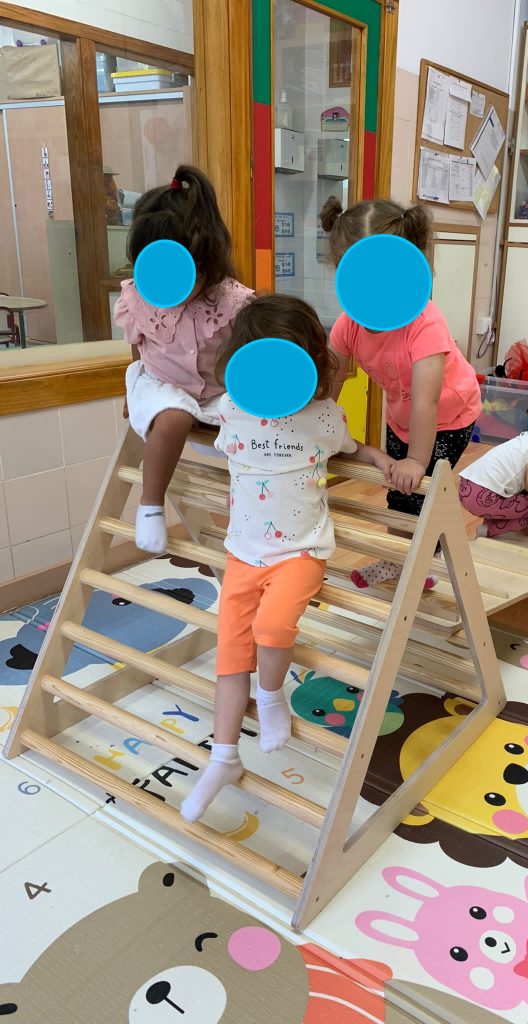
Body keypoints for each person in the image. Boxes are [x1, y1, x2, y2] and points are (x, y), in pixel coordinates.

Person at [180, 293, 394, 823]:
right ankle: (223, 757)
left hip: (300, 552)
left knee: (273, 628)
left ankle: (272, 695)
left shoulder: (323, 416)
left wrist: (384, 459)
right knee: (231, 655)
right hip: (243, 554)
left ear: (311, 365)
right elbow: (190, 409)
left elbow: (353, 448)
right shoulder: (232, 408)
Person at [321, 196, 481, 589]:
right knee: (398, 491)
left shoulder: (424, 323)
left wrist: (415, 459)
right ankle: (400, 559)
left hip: (449, 417)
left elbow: (426, 403)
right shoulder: (350, 323)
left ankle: (420, 561)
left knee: (420, 491)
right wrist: (316, 425)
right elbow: (331, 379)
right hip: (402, 415)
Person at [116, 164, 253, 555]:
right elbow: (138, 345)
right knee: (174, 417)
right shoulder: (138, 297)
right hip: (162, 383)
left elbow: (245, 356)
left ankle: (253, 515)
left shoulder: (232, 300)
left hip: (215, 392)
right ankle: (150, 505)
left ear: (207, 262)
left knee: (258, 429)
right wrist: (132, 393)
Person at [457, 398, 528, 538]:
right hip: (482, 495)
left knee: (520, 495)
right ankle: (487, 531)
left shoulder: (525, 438)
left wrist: (523, 526)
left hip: (467, 488)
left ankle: (497, 526)